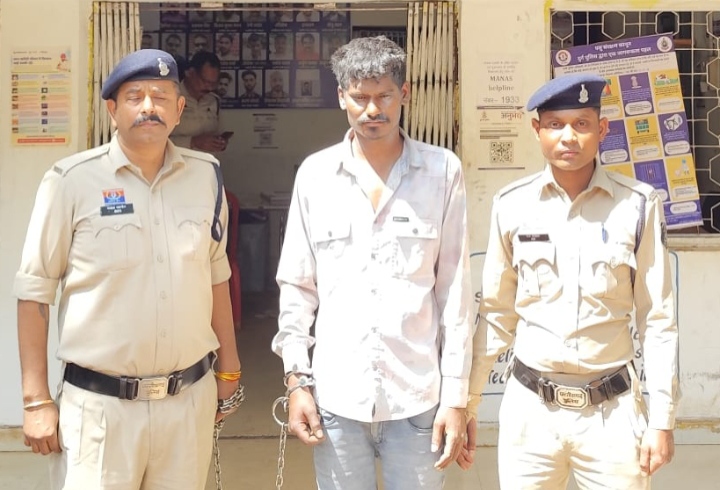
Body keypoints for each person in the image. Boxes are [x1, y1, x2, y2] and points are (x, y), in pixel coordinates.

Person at [14, 48, 242, 490]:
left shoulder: (206, 176)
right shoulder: (70, 181)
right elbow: (34, 291)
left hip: (187, 404)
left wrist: (229, 371)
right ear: (112, 110)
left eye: (161, 96)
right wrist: (35, 400)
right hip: (100, 410)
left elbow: (215, 273)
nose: (149, 107)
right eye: (135, 96)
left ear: (179, 109)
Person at [458, 73, 679, 489]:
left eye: (581, 124)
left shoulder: (637, 205)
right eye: (555, 125)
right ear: (537, 129)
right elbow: (496, 315)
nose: (569, 137)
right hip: (531, 415)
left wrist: (662, 419)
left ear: (602, 129)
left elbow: (658, 320)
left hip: (612, 415)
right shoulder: (512, 205)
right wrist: (466, 404)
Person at [271, 36, 473, 489]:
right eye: (360, 97)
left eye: (384, 96)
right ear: (341, 97)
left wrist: (457, 398)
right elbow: (298, 288)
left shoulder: (443, 172)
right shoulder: (316, 175)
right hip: (337, 399)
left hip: (418, 399)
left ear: (405, 94)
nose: (372, 110)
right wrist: (297, 381)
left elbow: (455, 293)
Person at [170, 51, 227, 154]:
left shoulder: (214, 101)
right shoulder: (169, 98)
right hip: (177, 162)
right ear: (190, 73)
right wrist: (193, 142)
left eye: (213, 83)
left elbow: (219, 133)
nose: (209, 88)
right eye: (205, 81)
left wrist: (220, 143)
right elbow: (154, 142)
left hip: (207, 162)